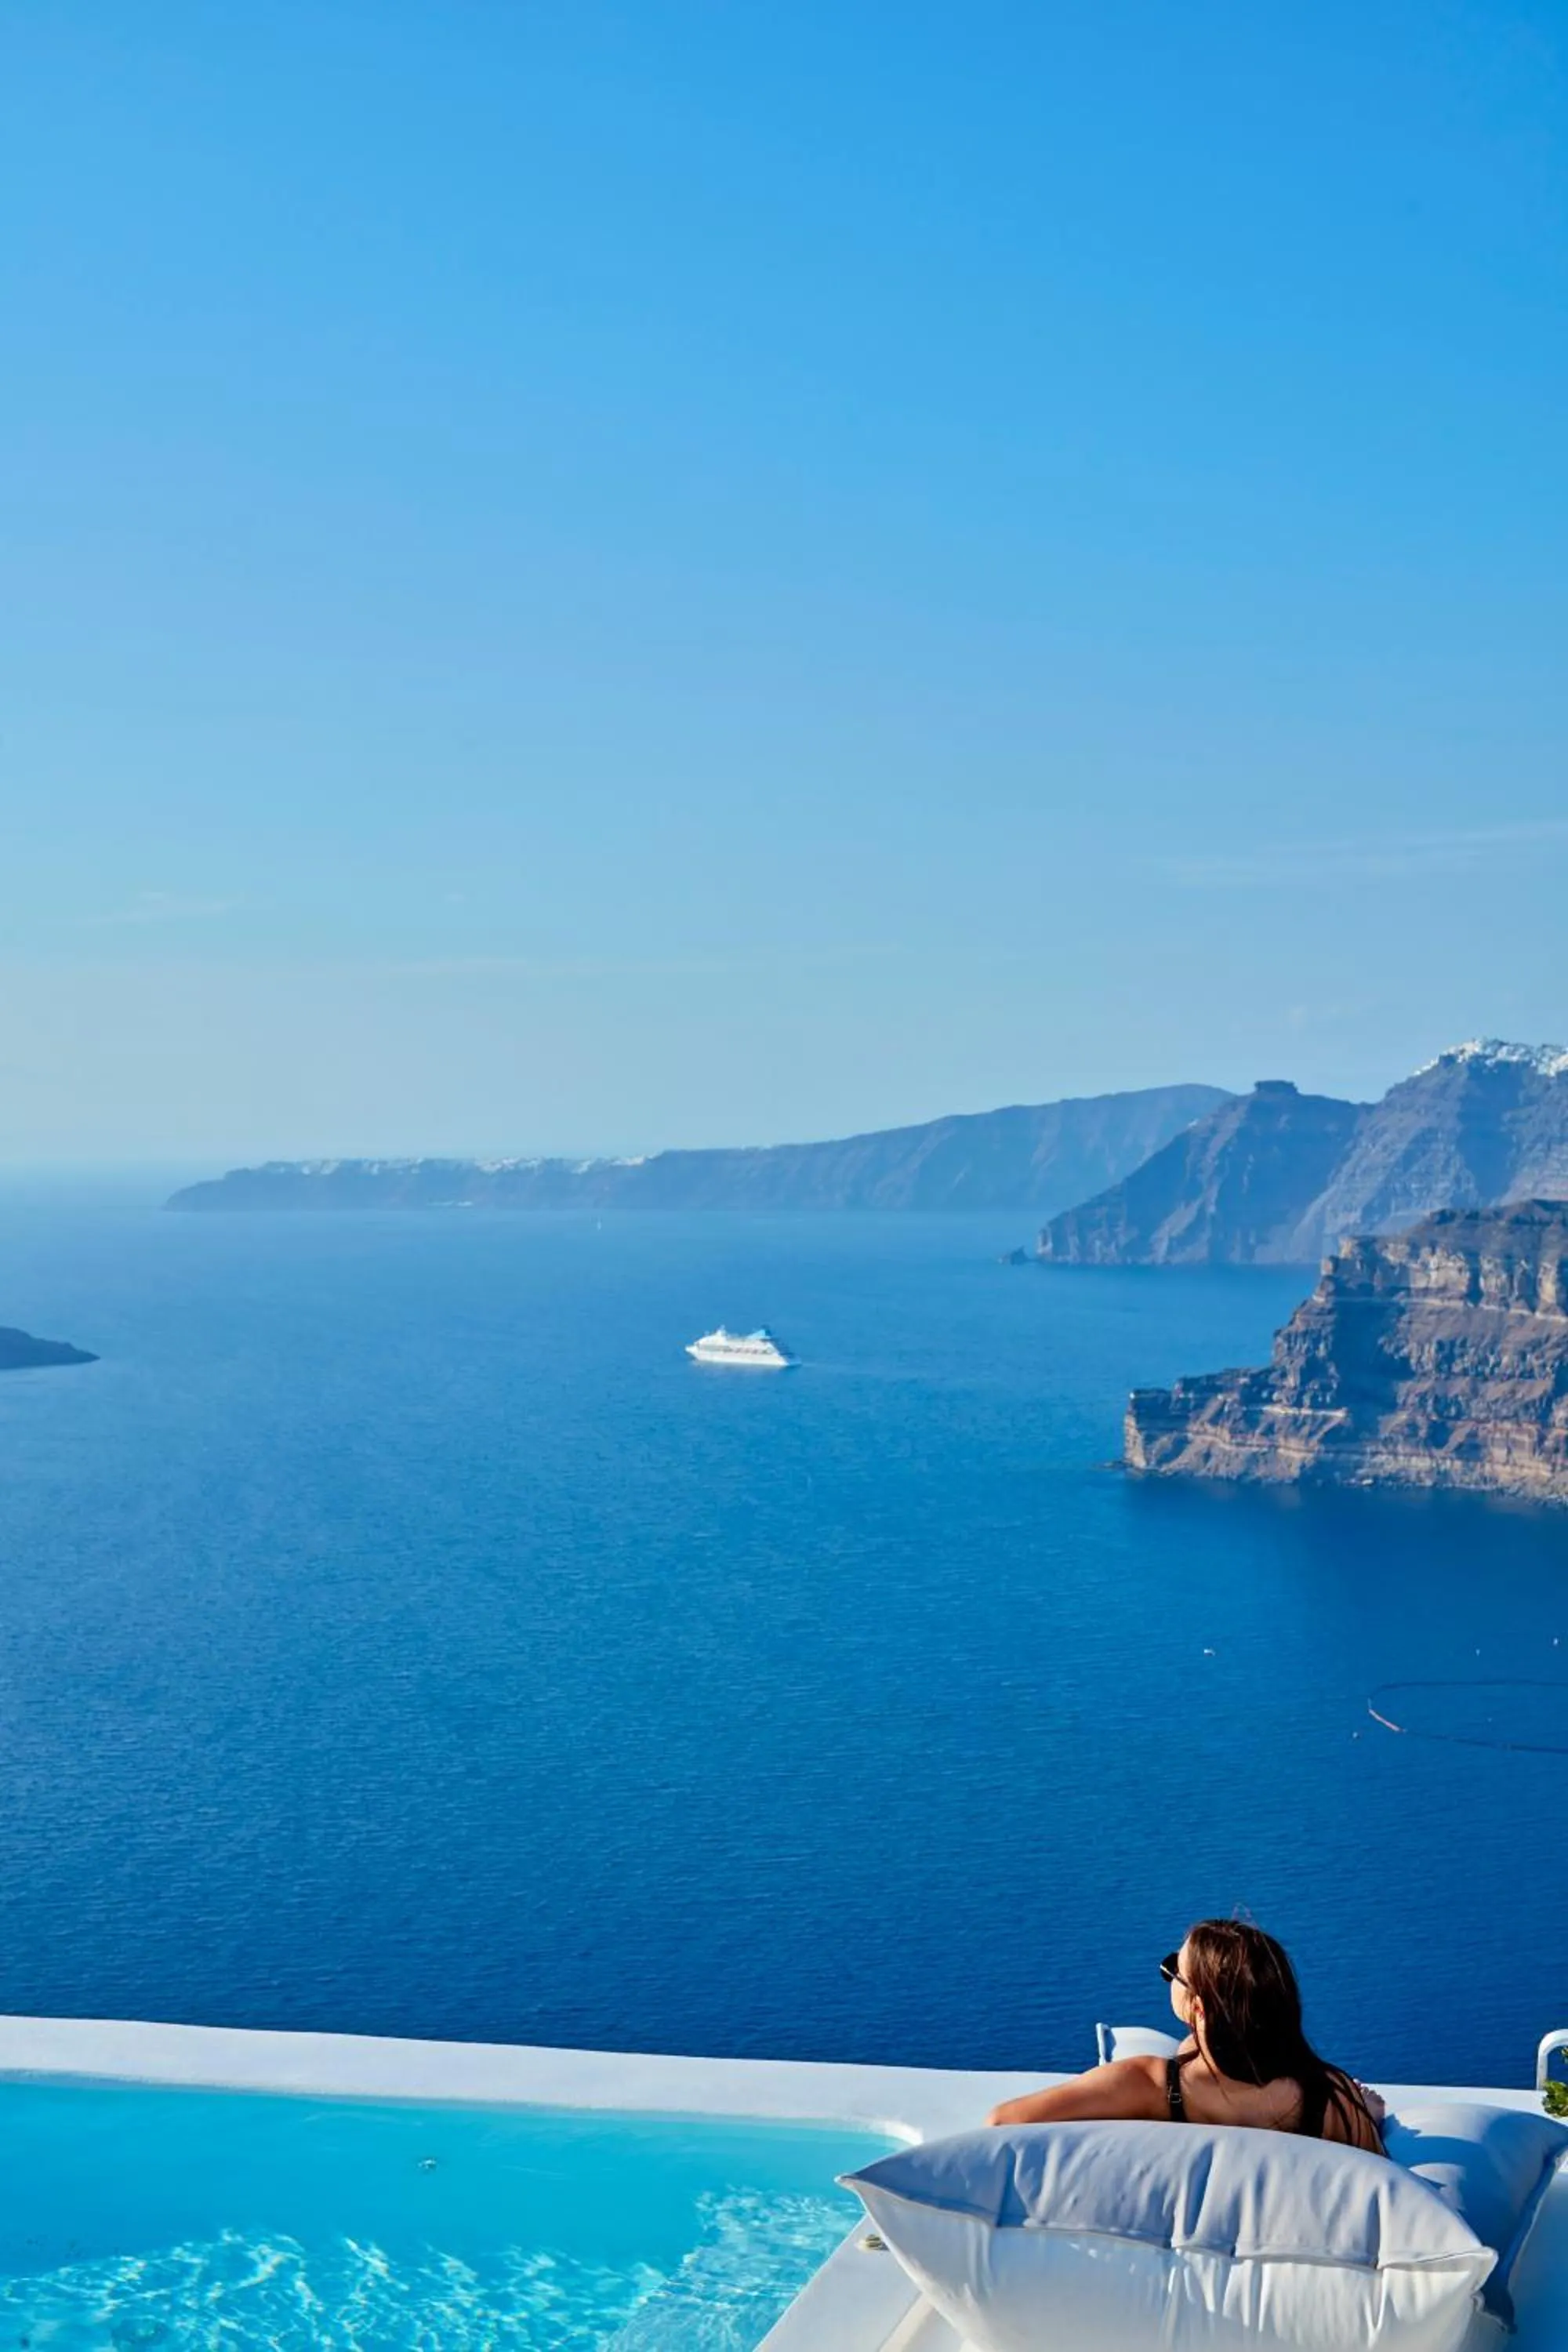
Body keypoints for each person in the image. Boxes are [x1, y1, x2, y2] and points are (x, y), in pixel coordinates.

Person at [987, 1918, 1385, 2152]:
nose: (1168, 1974)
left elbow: (1002, 2123)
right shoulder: (1331, 2102)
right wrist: (1366, 2110)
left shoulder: (1144, 2084)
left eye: (1174, 1970)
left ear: (1198, 2008)